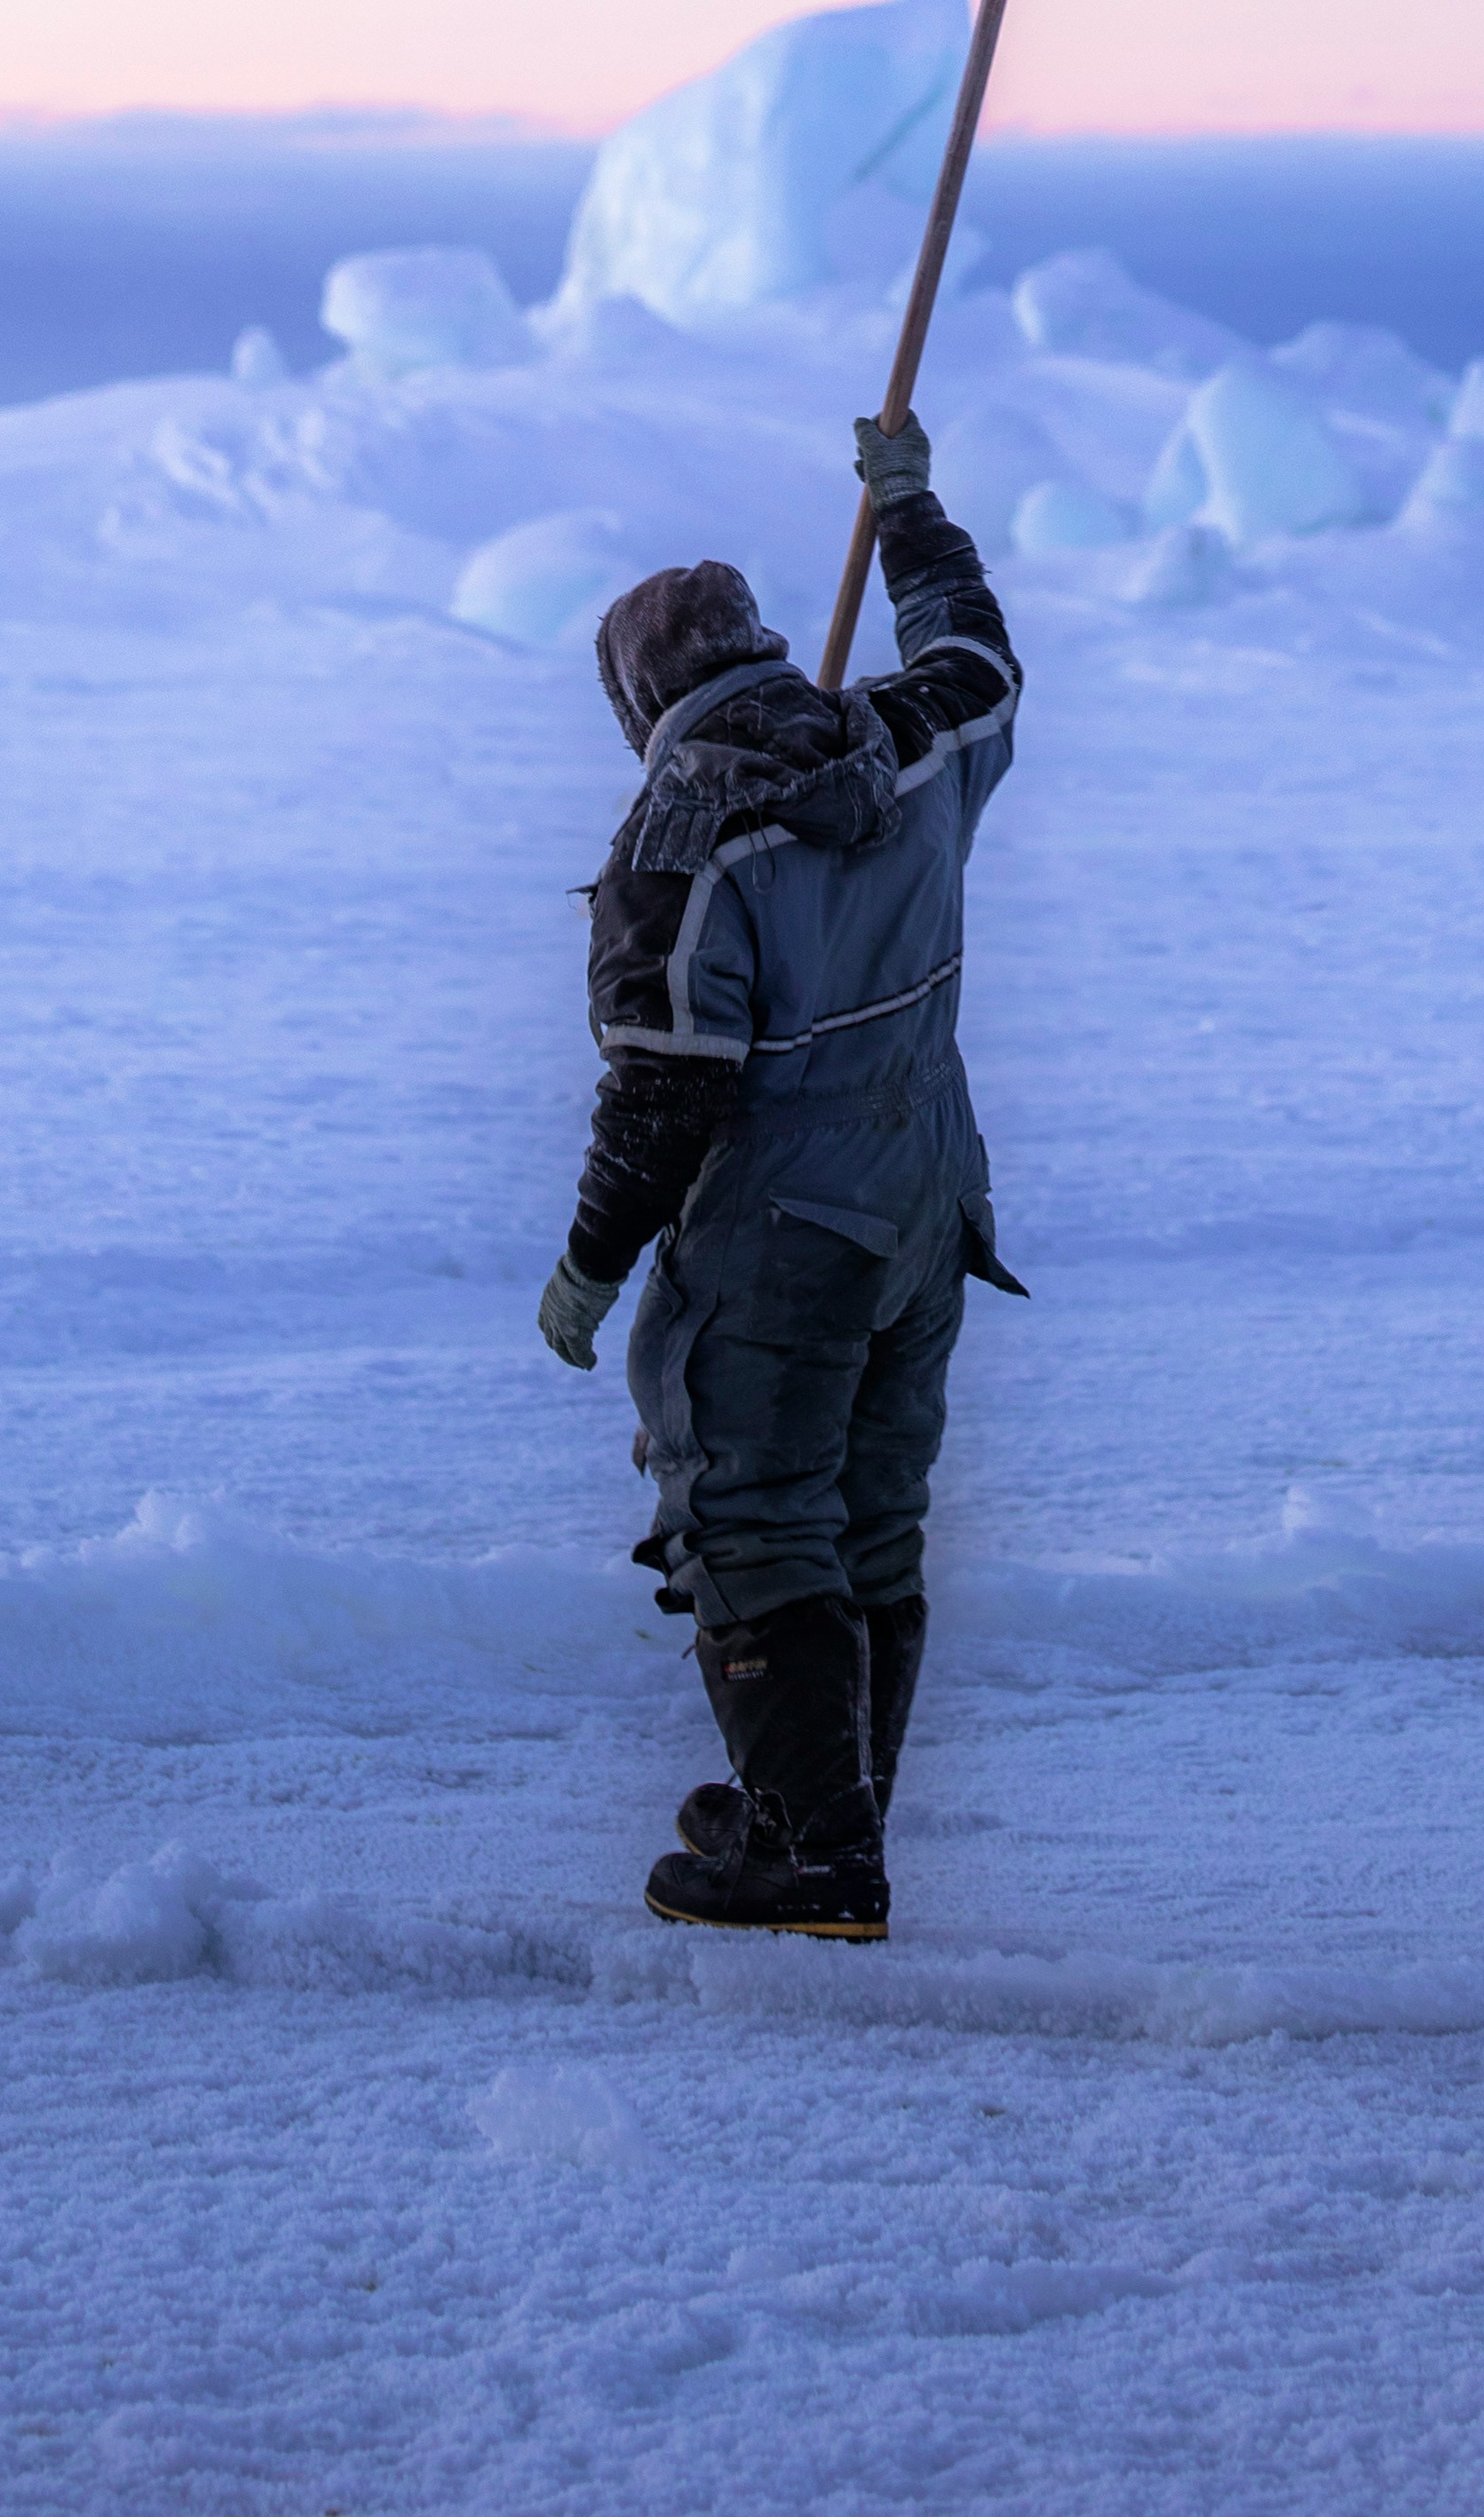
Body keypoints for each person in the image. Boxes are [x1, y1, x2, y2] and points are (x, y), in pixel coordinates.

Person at [533, 407, 1026, 1941]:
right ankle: (820, 1806)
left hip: (783, 1231)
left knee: (751, 1517)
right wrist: (911, 519)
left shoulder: (673, 848)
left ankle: (816, 1858)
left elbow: (665, 1093)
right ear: (756, 647)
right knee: (873, 1517)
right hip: (924, 1196)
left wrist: (592, 1264)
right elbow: (983, 659)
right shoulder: (910, 736)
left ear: (640, 708)